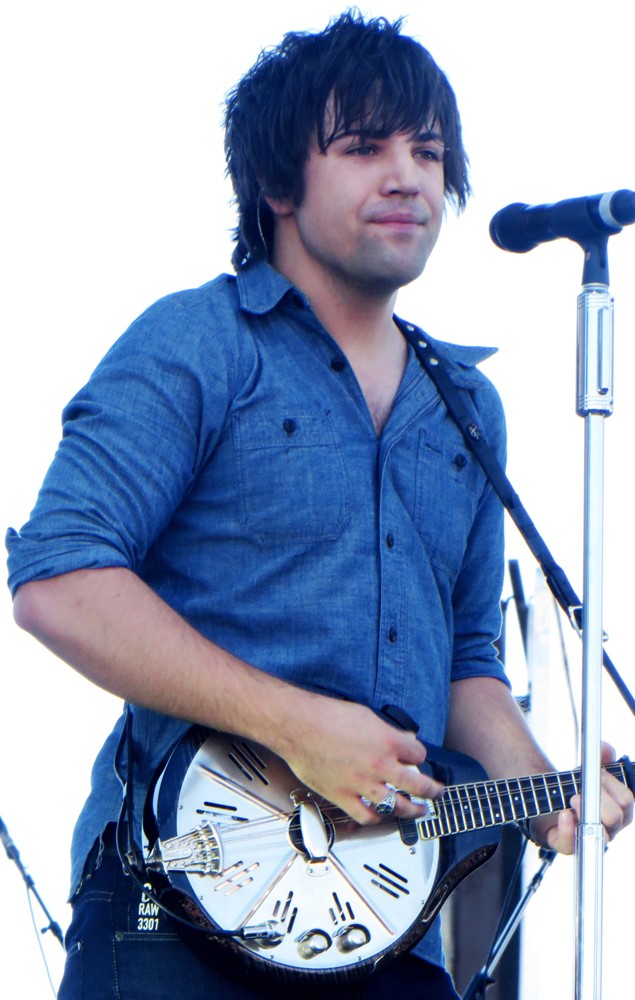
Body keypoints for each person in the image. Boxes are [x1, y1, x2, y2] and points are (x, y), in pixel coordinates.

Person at [6, 12, 632, 1000]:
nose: (407, 177)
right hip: (176, 905)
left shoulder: (465, 407)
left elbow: (465, 663)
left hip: (387, 926)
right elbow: (59, 579)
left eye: (427, 152)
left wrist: (543, 790)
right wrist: (298, 727)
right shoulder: (198, 342)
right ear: (276, 183)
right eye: (364, 147)